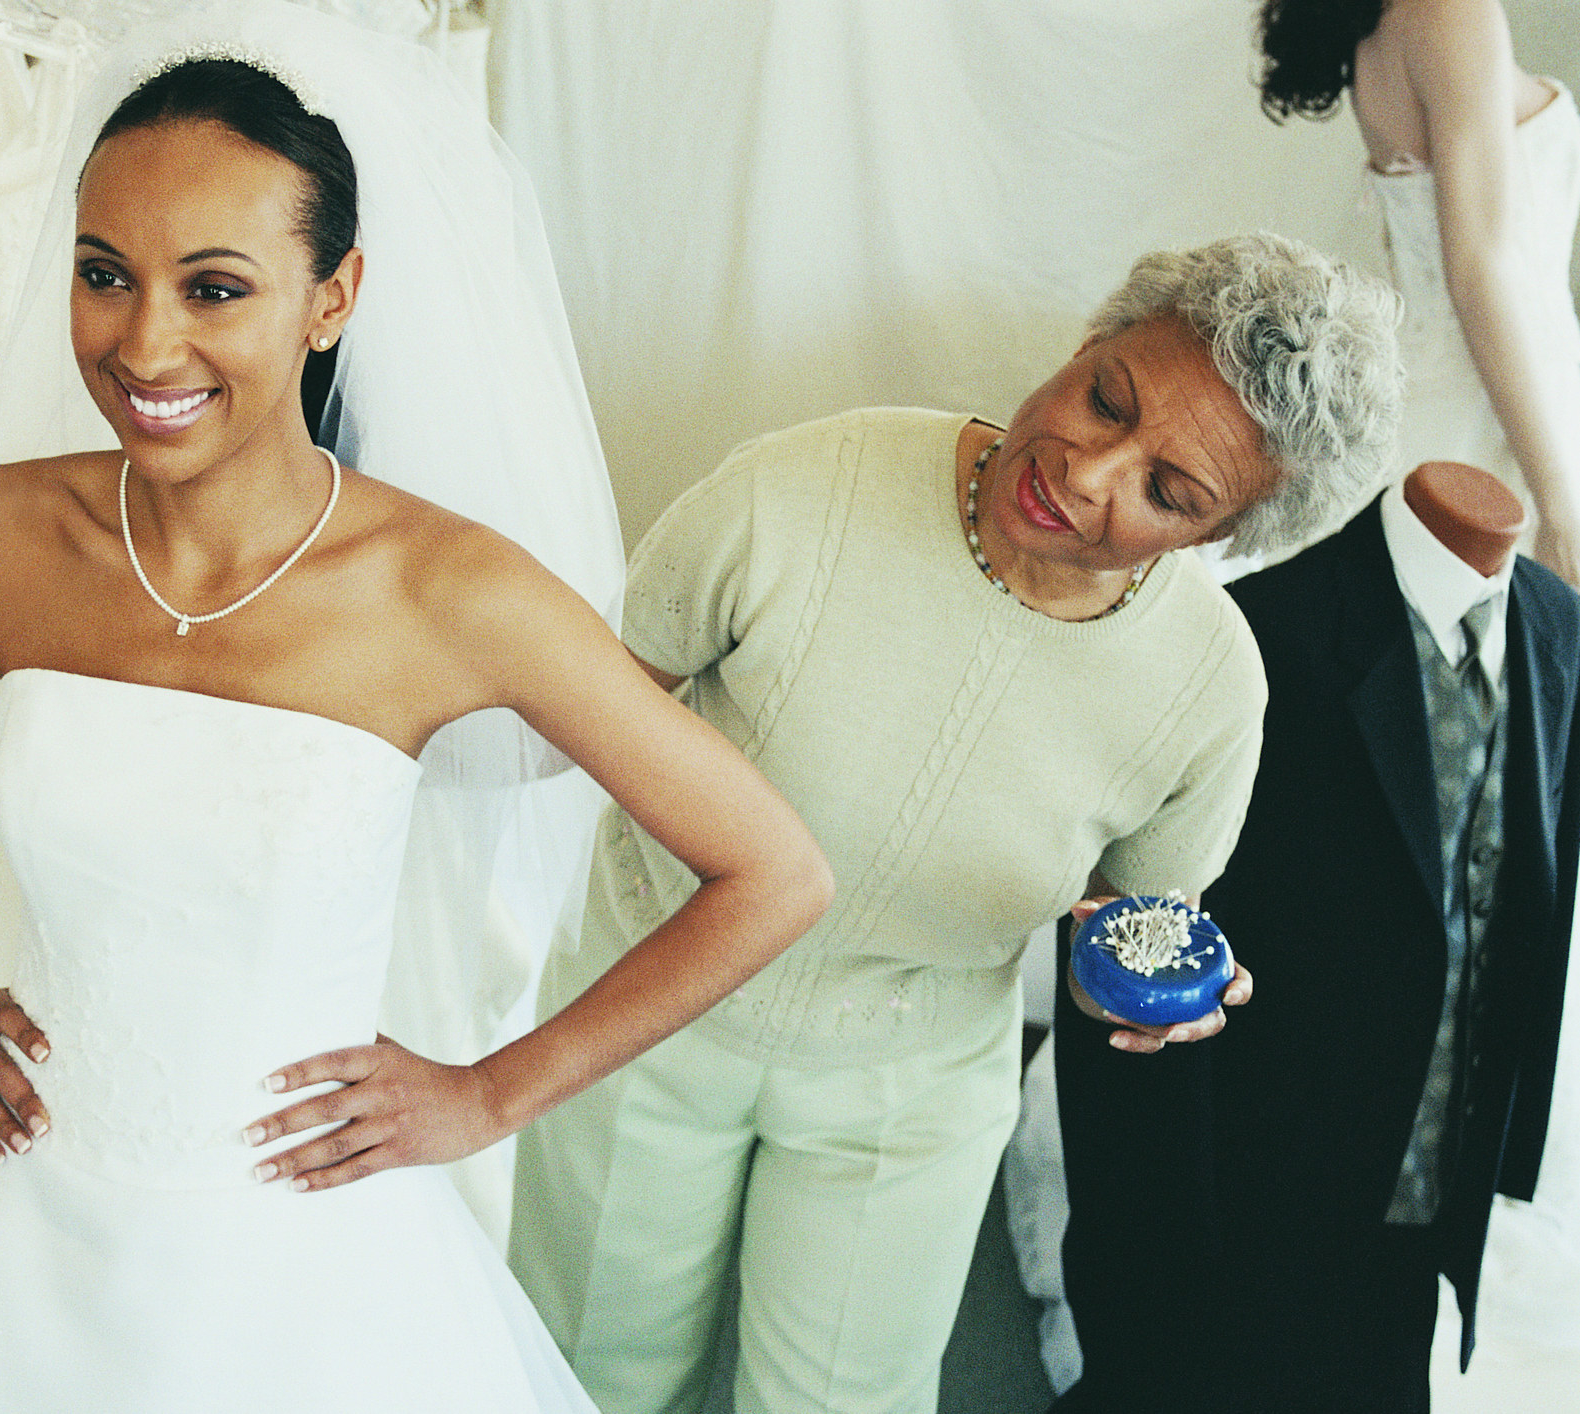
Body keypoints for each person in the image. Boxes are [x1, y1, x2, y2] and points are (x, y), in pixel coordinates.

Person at [0, 5, 832, 1409]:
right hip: (11, 1235)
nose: (144, 343)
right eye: (104, 274)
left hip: (301, 1266)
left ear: (333, 297)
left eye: (215, 287)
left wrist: (489, 1092)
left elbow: (774, 870)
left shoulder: (448, 591)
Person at [508, 233, 1404, 1414]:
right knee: (584, 1372)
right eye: (1105, 397)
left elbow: (1128, 928)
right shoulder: (800, 488)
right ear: (1089, 342)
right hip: (645, 1005)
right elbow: (594, 703)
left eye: (1166, 490)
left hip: (907, 1080)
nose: (1088, 470)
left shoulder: (1209, 691)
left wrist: (1136, 997)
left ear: (1219, 538)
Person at [1051, 461, 1580, 1413]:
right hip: (1236, 1208)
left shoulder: (1556, 628)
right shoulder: (1253, 635)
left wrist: (1497, 1160)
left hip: (1424, 1196)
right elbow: (1133, 932)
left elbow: (1525, 895)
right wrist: (1135, 1244)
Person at [1258, 0, 1580, 584]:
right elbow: (1478, 272)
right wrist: (1558, 507)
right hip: (1514, 407)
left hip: (1467, 392)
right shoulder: (1449, 13)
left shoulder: (1376, 35)